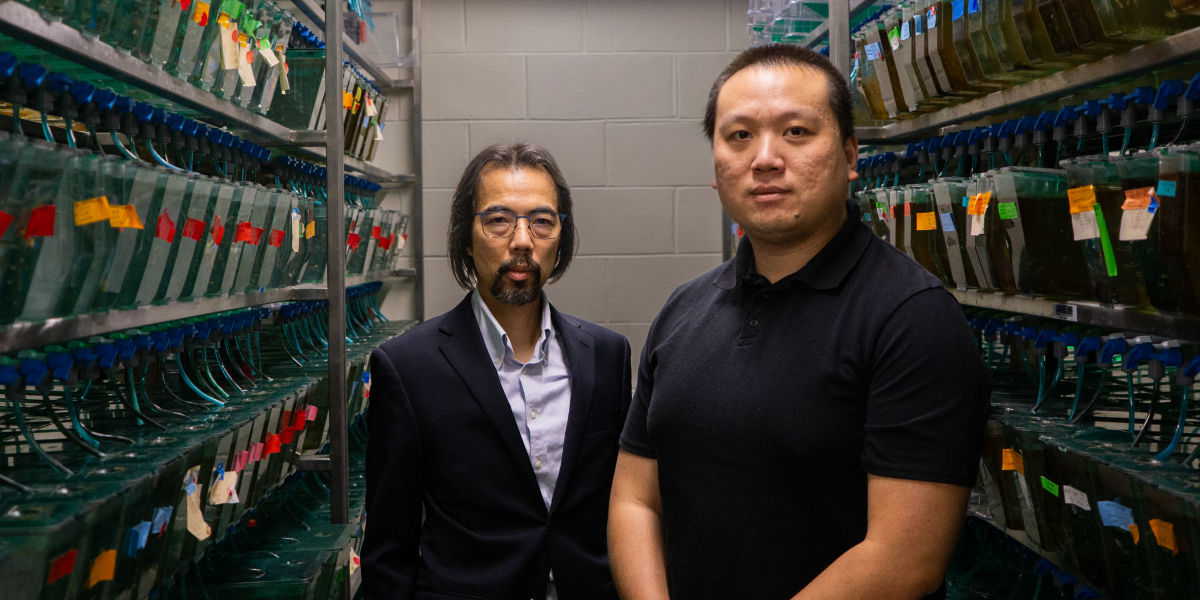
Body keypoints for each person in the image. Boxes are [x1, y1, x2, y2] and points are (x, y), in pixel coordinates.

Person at [608, 45, 990, 600]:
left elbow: (904, 559)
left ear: (851, 154)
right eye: (739, 136)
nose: (764, 158)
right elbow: (635, 500)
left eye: (796, 132)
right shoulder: (683, 310)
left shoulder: (913, 319)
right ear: (715, 165)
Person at [362, 142, 631, 600]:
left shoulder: (606, 355)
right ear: (466, 238)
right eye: (498, 220)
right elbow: (390, 548)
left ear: (560, 236)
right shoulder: (408, 368)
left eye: (542, 221)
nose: (523, 240)